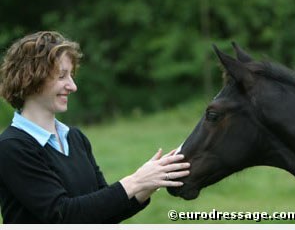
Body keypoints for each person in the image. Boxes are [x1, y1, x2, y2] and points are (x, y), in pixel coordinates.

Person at [0, 31, 190, 223]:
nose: (72, 86)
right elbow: (62, 215)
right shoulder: (11, 147)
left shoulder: (75, 138)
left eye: (71, 76)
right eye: (62, 76)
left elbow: (102, 212)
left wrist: (147, 185)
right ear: (31, 78)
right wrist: (136, 181)